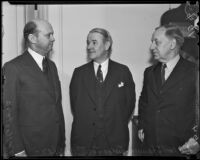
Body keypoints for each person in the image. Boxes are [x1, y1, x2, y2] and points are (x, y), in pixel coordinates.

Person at [2, 19, 65, 157]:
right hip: (29, 149)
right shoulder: (13, 67)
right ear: (32, 38)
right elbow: (8, 113)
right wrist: (17, 150)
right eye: (49, 35)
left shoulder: (52, 66)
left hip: (55, 147)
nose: (53, 39)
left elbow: (56, 106)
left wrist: (61, 144)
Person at [70, 28, 135, 156]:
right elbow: (75, 106)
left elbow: (129, 105)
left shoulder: (123, 72)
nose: (89, 46)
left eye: (94, 42)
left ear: (107, 45)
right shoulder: (79, 73)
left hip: (114, 144)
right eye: (88, 42)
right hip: (84, 145)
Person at [137, 24, 198, 156]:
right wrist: (142, 125)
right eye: (152, 42)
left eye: (156, 42)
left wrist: (198, 139)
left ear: (172, 44)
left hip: (182, 149)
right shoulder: (149, 72)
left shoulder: (194, 72)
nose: (151, 47)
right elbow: (144, 101)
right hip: (150, 148)